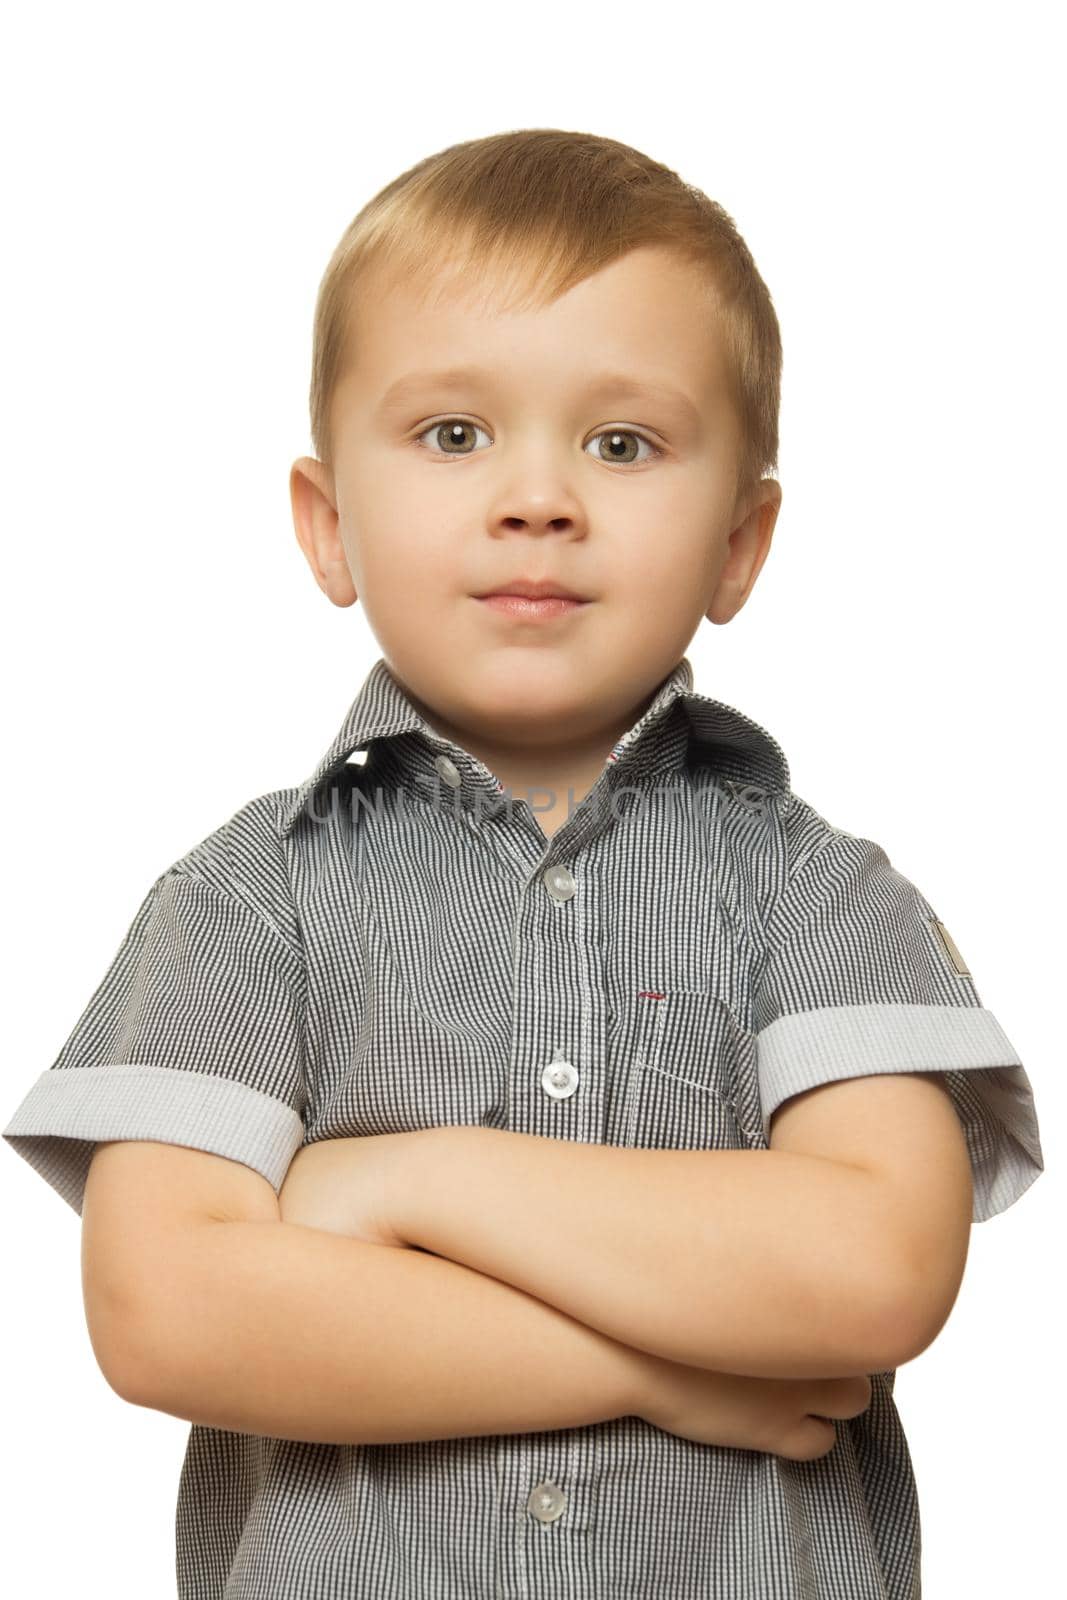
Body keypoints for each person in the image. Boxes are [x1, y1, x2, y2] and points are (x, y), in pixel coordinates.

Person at [2, 127, 1044, 1600]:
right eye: (452, 434)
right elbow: (168, 1313)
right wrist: (668, 1371)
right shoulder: (246, 899)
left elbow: (875, 1270)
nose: (536, 496)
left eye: (622, 444)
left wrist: (406, 1183)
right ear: (327, 524)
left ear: (742, 541)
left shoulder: (819, 893)